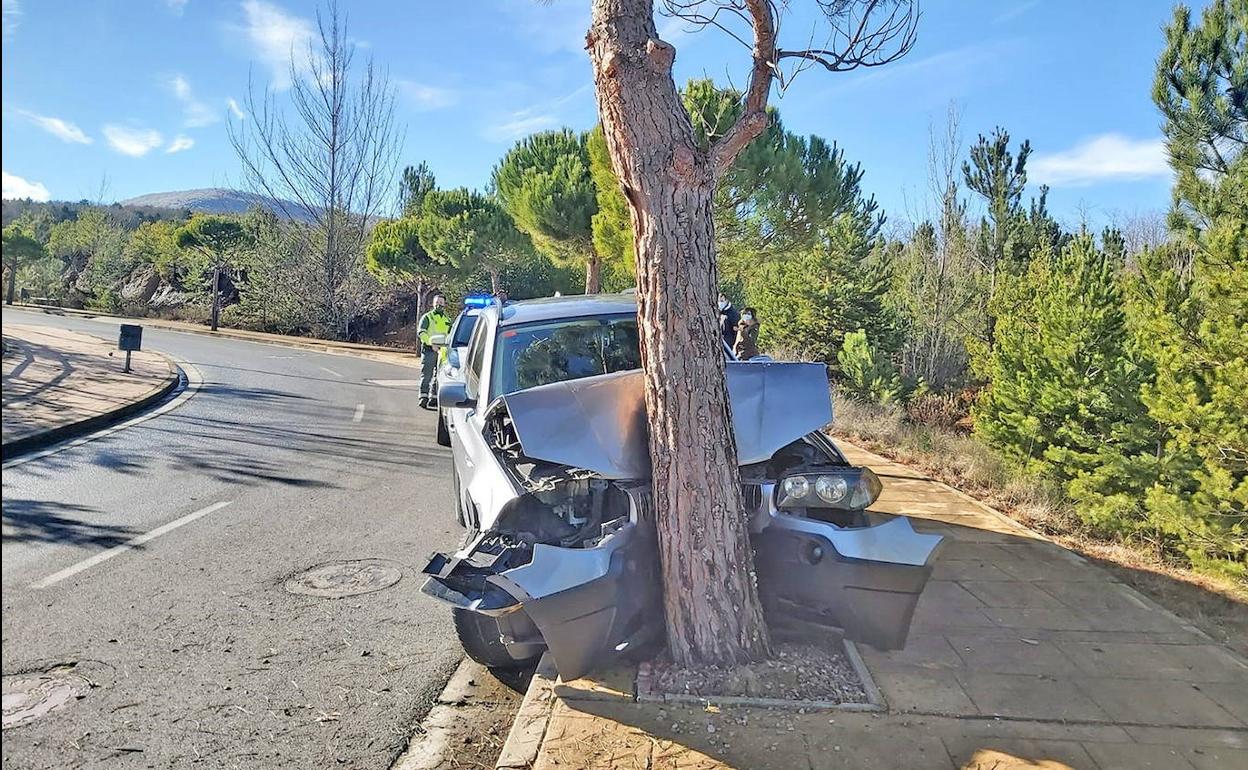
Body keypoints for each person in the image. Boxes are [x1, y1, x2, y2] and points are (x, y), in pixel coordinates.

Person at [417, 294, 451, 409]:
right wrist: (431, 344)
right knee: (427, 374)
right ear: (433, 304)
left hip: (443, 351)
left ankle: (434, 397)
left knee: (439, 375)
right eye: (437, 303)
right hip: (429, 350)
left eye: (441, 303)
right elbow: (421, 333)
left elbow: (450, 335)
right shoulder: (427, 317)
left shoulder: (447, 319)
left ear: (445, 304)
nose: (439, 305)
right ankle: (423, 396)